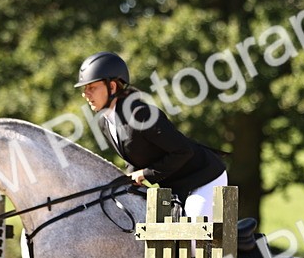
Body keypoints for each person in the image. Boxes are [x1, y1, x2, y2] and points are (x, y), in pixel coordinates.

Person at [76, 51, 227, 220]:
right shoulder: (104, 123)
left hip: (203, 178)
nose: (85, 94)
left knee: (191, 234)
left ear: (112, 86)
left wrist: (145, 174)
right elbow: (131, 157)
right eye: (84, 89)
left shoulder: (141, 114)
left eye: (91, 87)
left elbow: (184, 151)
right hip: (173, 187)